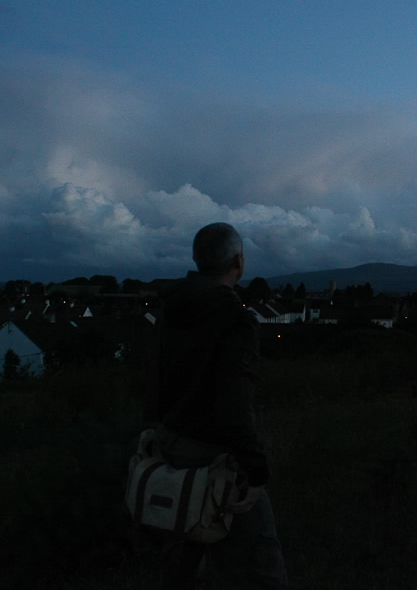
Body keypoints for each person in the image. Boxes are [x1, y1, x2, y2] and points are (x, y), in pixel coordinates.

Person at [145, 222, 287, 589]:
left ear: (197, 259)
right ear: (238, 261)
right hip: (217, 463)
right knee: (262, 569)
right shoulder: (234, 320)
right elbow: (235, 407)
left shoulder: (170, 308)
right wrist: (255, 474)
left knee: (180, 565)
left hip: (170, 451)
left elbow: (155, 378)